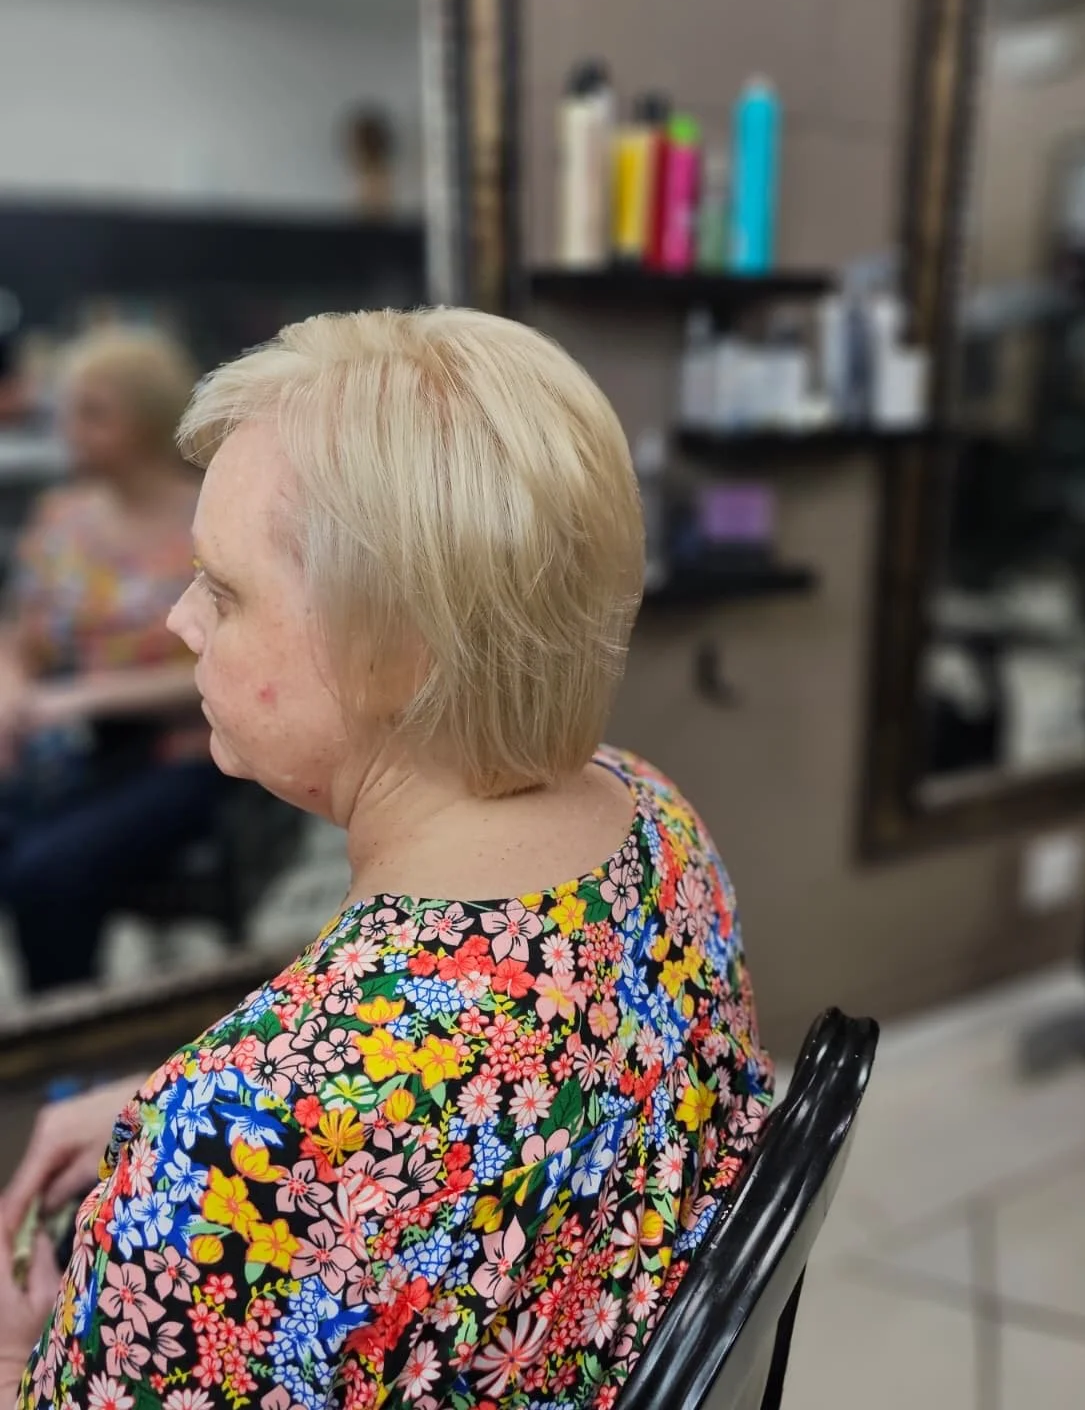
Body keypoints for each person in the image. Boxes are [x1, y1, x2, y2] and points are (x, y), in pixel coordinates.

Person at [0, 308, 773, 1408]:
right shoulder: (653, 817)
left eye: (221, 590)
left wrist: (11, 1351)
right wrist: (161, 1106)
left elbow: (339, 1123)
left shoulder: (243, 1147)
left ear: (402, 652)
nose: (178, 620)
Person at [0, 325, 222, 991]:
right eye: (70, 409)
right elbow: (23, 634)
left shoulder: (211, 522)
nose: (70, 429)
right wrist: (11, 693)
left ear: (148, 419)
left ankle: (67, 1039)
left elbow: (222, 662)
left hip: (181, 751)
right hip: (62, 747)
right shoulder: (62, 518)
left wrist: (87, 696)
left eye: (94, 412)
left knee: (47, 872)